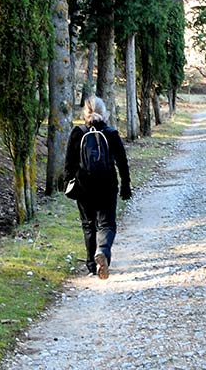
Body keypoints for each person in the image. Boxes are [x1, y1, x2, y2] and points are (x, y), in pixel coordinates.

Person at [65, 96, 131, 279]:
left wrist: (67, 183)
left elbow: (69, 163)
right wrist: (126, 184)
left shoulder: (77, 132)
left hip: (83, 186)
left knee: (88, 225)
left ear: (84, 113)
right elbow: (122, 162)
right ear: (104, 112)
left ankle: (92, 266)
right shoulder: (111, 133)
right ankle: (102, 251)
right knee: (107, 224)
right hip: (107, 184)